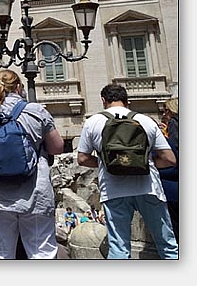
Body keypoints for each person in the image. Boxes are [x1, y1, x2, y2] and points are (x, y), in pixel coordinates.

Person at [76, 83, 178, 259]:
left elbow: (82, 158)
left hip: (114, 190)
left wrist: (107, 164)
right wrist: (144, 163)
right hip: (148, 187)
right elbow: (170, 158)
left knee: (119, 249)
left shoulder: (93, 122)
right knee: (167, 245)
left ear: (103, 100)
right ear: (127, 100)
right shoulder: (145, 120)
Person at [0, 69, 64, 259]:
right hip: (35, 194)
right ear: (19, 87)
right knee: (41, 252)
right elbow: (57, 147)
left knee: (0, 254)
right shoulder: (37, 111)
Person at [158, 97, 178, 241]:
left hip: (174, 183)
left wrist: (163, 137)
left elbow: (175, 149)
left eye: (166, 110)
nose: (164, 114)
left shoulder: (174, 124)